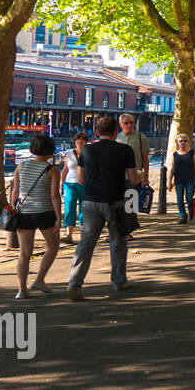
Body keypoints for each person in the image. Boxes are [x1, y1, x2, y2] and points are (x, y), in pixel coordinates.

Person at [66, 115, 143, 300]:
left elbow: (82, 179)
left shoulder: (86, 151)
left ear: (97, 132)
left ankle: (74, 284)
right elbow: (133, 179)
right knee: (118, 240)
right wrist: (142, 175)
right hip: (115, 202)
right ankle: (119, 280)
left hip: (90, 201)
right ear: (116, 131)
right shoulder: (125, 150)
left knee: (86, 242)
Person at [10, 133, 62, 299]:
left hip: (24, 213)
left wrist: (13, 209)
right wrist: (58, 217)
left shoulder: (21, 166)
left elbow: (15, 192)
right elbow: (54, 196)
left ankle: (22, 290)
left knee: (24, 253)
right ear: (50, 152)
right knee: (53, 247)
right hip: (44, 212)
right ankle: (39, 279)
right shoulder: (52, 170)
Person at [167, 132, 195, 224]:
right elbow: (171, 169)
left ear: (187, 142)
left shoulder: (192, 153)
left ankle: (191, 211)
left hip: (190, 178)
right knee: (179, 199)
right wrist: (169, 182)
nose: (182, 143)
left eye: (184, 141)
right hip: (178, 179)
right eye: (180, 141)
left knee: (189, 198)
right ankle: (182, 216)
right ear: (177, 142)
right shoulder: (174, 155)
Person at [61, 132, 88, 242]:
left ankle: (85, 232)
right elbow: (65, 169)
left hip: (84, 183)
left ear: (86, 143)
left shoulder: (89, 154)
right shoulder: (69, 154)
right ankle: (69, 234)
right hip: (70, 182)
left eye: (81, 143)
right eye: (77, 143)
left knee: (85, 207)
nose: (79, 145)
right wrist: (61, 184)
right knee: (69, 205)